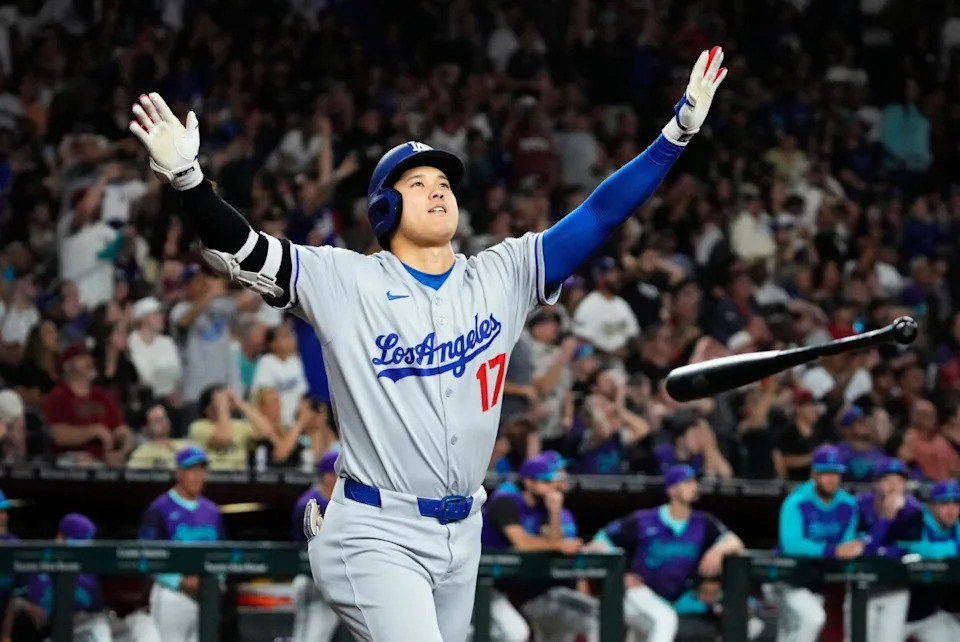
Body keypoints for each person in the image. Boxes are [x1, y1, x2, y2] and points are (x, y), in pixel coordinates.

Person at [130, 46, 727, 642]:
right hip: (375, 530)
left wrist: (674, 135)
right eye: (418, 183)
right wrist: (189, 181)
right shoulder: (346, 280)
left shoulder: (503, 274)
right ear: (386, 207)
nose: (438, 190)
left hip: (464, 530)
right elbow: (241, 248)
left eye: (444, 183)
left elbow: (598, 216)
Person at [586, 464, 746, 642]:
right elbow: (598, 542)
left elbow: (735, 542)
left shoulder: (704, 522)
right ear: (672, 490)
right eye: (687, 482)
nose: (695, 486)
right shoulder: (643, 520)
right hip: (638, 593)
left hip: (674, 598)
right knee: (664, 619)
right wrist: (621, 573)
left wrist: (717, 549)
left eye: (695, 482)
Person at [480, 452, 595, 642]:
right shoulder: (505, 499)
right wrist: (559, 545)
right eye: (547, 481)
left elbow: (553, 542)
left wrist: (554, 512)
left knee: (519, 633)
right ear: (528, 482)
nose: (554, 487)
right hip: (481, 581)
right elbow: (522, 543)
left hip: (510, 584)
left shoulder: (542, 504)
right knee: (512, 633)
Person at [769, 445, 862, 642]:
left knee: (793, 631)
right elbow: (792, 545)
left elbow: (846, 545)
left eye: (835, 473)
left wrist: (852, 547)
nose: (831, 479)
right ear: (814, 474)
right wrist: (832, 550)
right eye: (826, 473)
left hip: (816, 578)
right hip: (786, 577)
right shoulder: (796, 502)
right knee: (813, 619)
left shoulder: (848, 505)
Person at [139, 446, 224, 642]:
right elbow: (147, 554)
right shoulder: (159, 508)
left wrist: (218, 580)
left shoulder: (212, 511)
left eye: (200, 470)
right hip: (172, 592)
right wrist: (179, 580)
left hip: (206, 592)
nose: (197, 476)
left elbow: (222, 551)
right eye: (191, 470)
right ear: (178, 472)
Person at [2, 514, 110, 642]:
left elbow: (94, 612)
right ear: (60, 536)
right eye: (79, 540)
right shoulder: (35, 563)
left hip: (80, 631)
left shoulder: (90, 575)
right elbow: (13, 602)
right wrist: (24, 606)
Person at [853, 457, 921, 642]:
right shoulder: (859, 505)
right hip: (862, 587)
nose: (894, 486)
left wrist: (883, 550)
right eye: (888, 480)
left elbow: (912, 552)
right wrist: (885, 519)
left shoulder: (913, 511)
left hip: (895, 587)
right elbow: (864, 552)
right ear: (876, 483)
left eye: (899, 481)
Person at [893, 480, 960, 642]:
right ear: (931, 506)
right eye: (944, 503)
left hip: (928, 614)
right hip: (895, 613)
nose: (951, 510)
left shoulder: (956, 528)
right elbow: (920, 550)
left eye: (956, 503)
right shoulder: (913, 521)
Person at [291, 451, 340, 642]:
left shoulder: (341, 503)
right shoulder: (309, 503)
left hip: (334, 577)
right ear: (327, 476)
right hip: (310, 577)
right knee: (308, 636)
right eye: (336, 475)